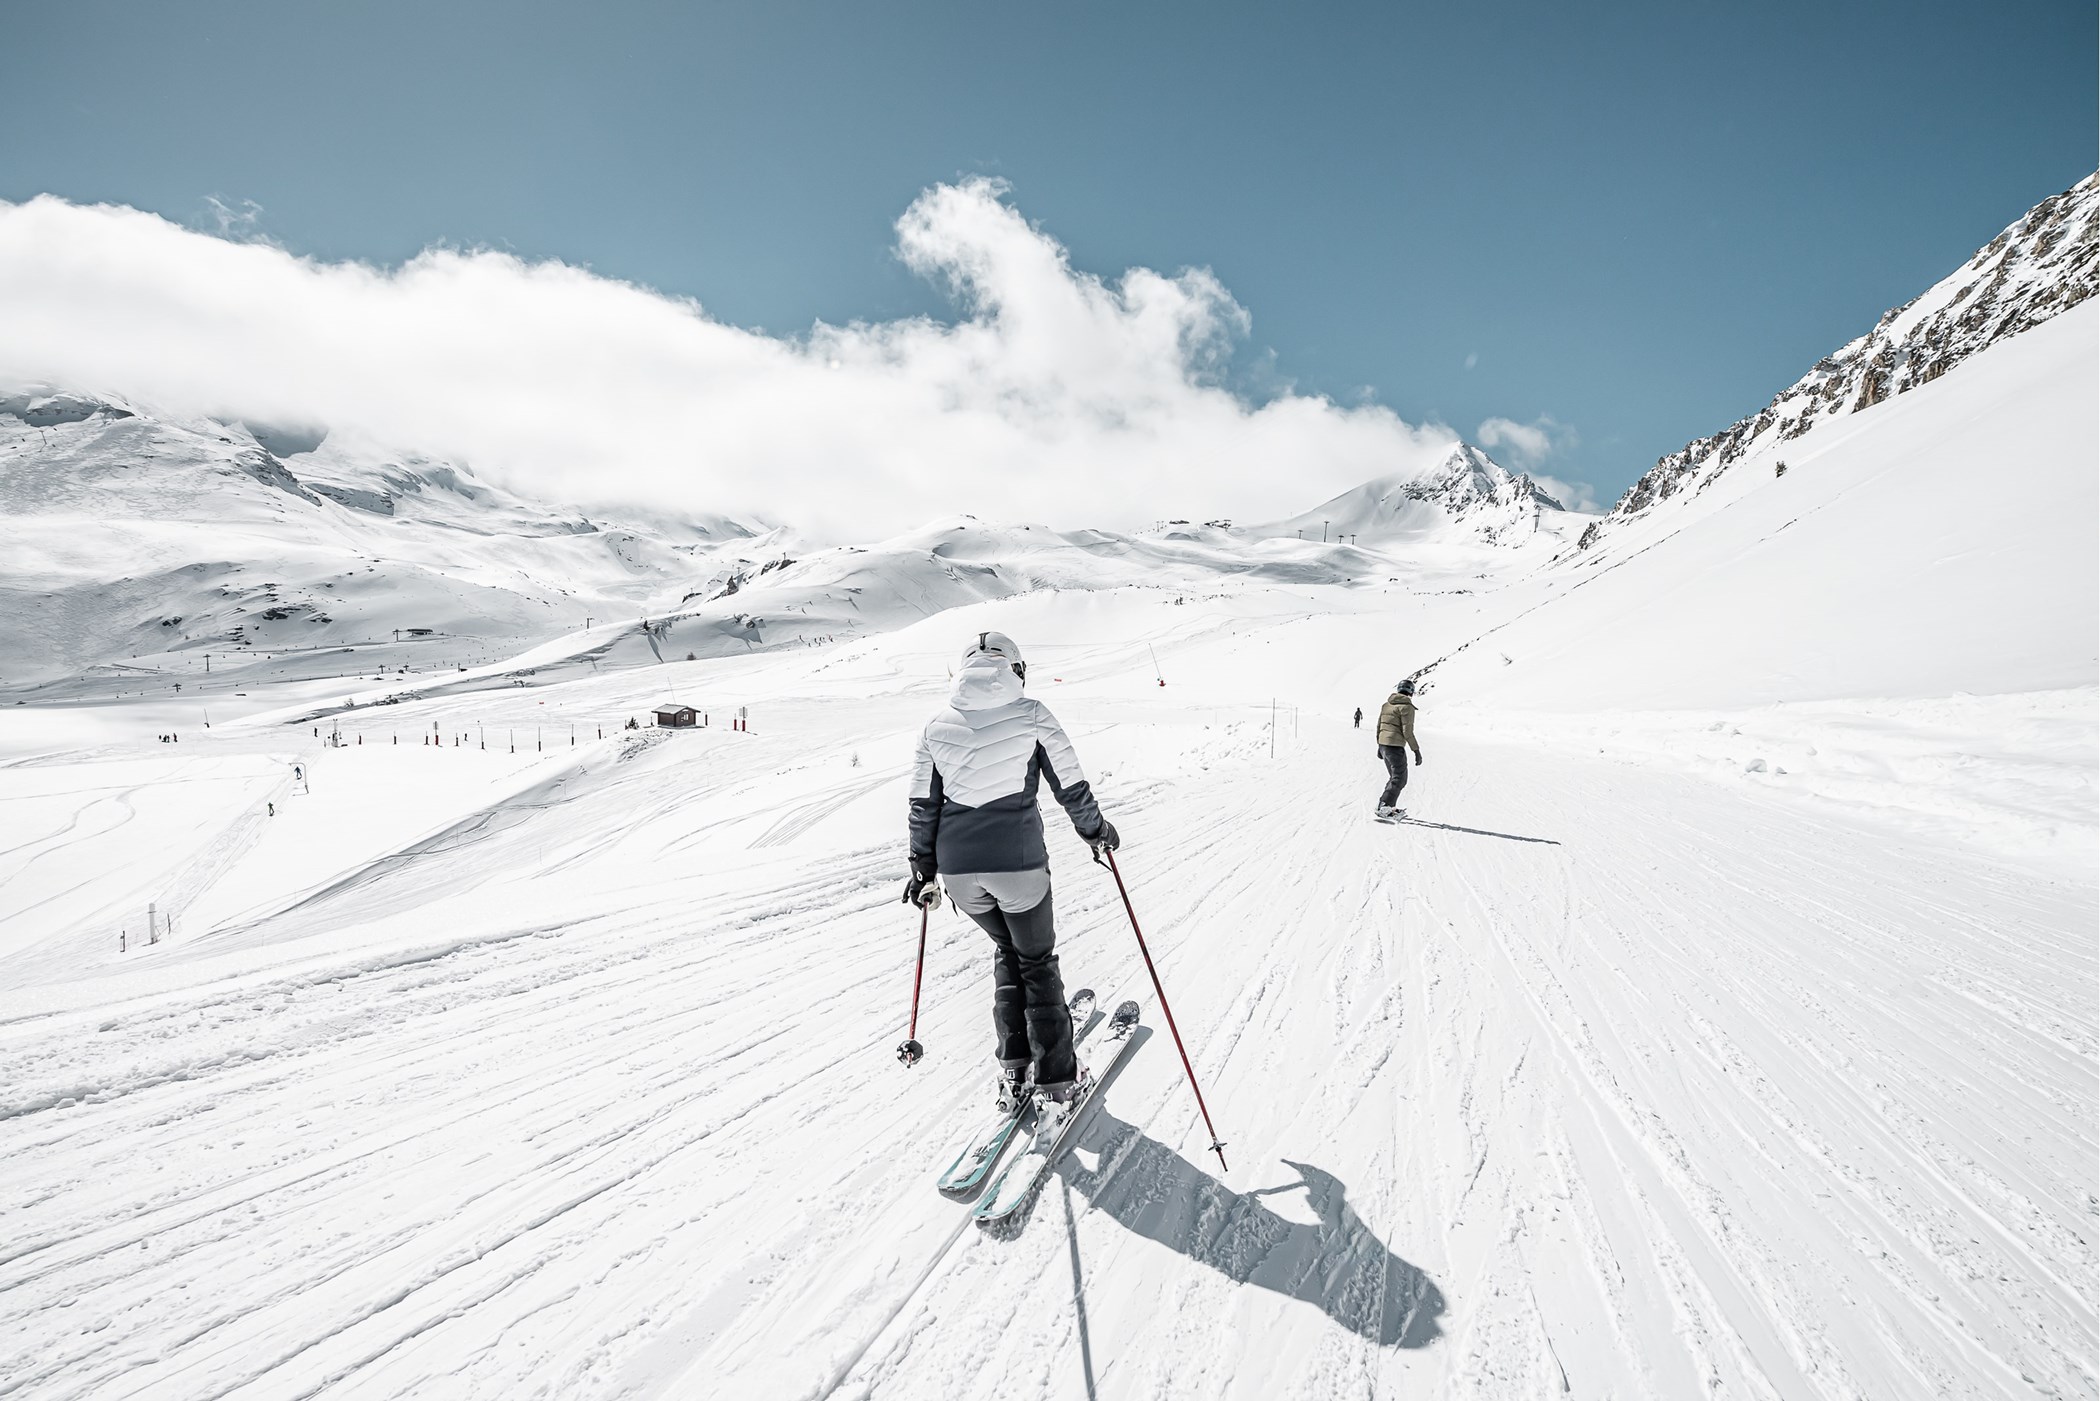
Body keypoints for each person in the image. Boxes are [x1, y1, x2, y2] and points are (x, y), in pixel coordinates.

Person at [906, 630, 1119, 1115]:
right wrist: (1097, 833)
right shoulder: (1033, 714)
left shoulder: (934, 726)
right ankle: (1057, 1080)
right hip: (1018, 865)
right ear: (1017, 670)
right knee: (1037, 960)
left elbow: (923, 806)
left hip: (961, 875)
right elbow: (1072, 785)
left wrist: (922, 870)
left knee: (1009, 950)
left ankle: (1014, 1066)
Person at [1374, 679, 1424, 819]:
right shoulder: (1407, 707)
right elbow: (1407, 732)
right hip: (1395, 747)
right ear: (1411, 692)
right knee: (1400, 779)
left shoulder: (1386, 705)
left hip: (1384, 745)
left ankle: (1388, 806)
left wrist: (1379, 746)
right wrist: (1416, 751)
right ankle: (1384, 806)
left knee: (1394, 777)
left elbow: (1379, 726)